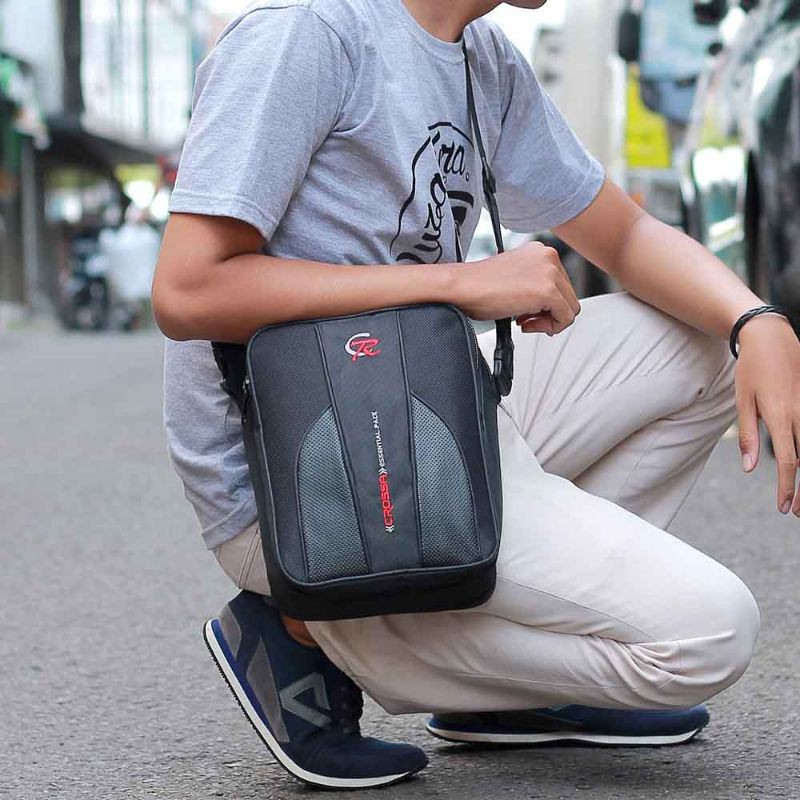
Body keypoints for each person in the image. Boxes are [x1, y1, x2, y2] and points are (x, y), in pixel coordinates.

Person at [153, 0, 798, 790]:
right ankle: (307, 627)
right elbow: (188, 290)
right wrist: (459, 284)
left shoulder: (482, 58)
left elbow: (624, 236)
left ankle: (510, 690)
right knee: (710, 633)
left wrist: (757, 321)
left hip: (425, 400)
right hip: (304, 472)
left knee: (709, 343)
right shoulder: (309, 35)